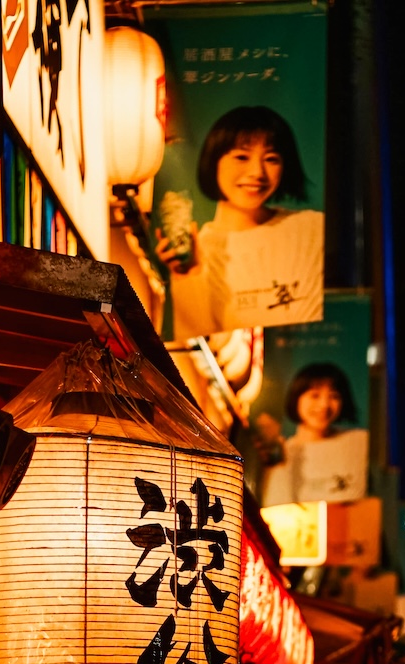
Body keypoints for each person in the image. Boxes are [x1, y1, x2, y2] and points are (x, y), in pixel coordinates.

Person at [155, 105, 324, 338]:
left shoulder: (312, 228)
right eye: (242, 157)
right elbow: (199, 351)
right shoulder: (198, 253)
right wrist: (188, 276)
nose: (257, 172)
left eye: (271, 158)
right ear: (214, 160)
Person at [256, 362, 369, 506]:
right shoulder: (283, 452)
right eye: (315, 395)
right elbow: (275, 507)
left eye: (334, 396)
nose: (324, 405)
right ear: (296, 398)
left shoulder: (359, 442)